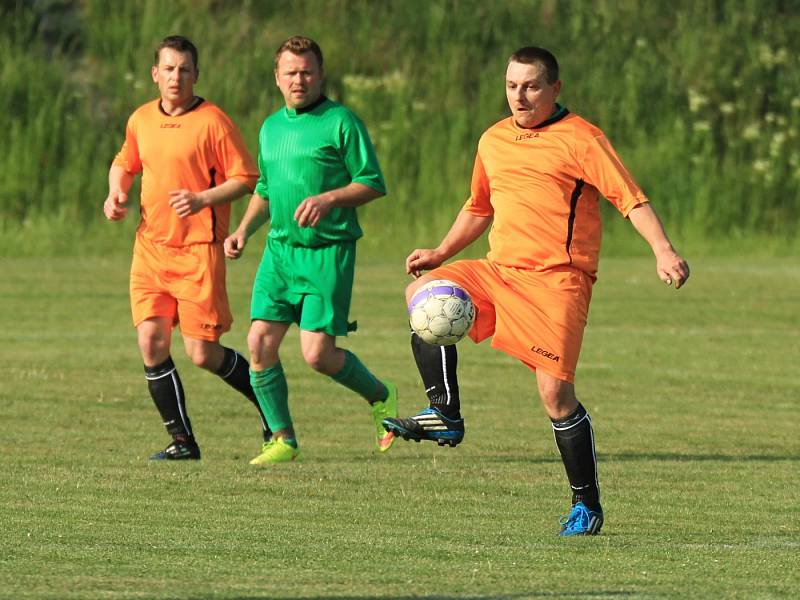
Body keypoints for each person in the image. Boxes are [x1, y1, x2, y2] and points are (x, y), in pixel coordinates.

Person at [383, 46, 690, 536]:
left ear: (555, 89)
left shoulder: (582, 139)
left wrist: (663, 250)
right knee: (424, 292)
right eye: (511, 86)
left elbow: (629, 199)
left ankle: (586, 504)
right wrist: (440, 252)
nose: (518, 96)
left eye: (530, 86)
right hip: (499, 270)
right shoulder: (493, 140)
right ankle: (444, 412)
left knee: (555, 396)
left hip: (558, 281)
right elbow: (479, 208)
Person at [224, 36, 397, 465]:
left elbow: (372, 182)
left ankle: (381, 396)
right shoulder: (270, 127)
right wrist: (243, 230)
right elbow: (265, 188)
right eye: (290, 73)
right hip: (280, 251)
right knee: (259, 342)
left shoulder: (341, 121)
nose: (298, 80)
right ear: (277, 78)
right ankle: (282, 439)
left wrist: (329, 200)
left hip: (327, 252)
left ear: (320, 76)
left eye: (306, 72)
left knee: (318, 355)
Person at [103, 35, 272, 460]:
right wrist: (115, 194)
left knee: (203, 353)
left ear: (196, 75)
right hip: (150, 248)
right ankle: (182, 442)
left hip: (199, 250)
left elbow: (246, 179)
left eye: (185, 69)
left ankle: (274, 414)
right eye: (169, 68)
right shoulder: (141, 118)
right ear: (155, 74)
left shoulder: (214, 122)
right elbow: (125, 163)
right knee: (151, 342)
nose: (176, 76)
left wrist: (201, 199)